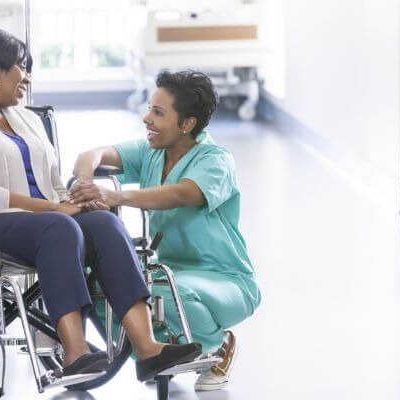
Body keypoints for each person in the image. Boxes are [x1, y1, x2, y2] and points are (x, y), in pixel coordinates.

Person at [0, 29, 200, 382]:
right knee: (60, 227)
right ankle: (75, 353)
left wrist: (77, 201)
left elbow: (53, 182)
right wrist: (54, 210)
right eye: (21, 68)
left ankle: (147, 348)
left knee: (104, 222)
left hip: (45, 221)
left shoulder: (27, 119)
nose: (27, 78)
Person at [70, 70, 261, 391]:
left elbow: (184, 193)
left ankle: (219, 344)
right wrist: (85, 182)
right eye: (149, 109)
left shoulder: (216, 160)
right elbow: (92, 154)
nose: (147, 119)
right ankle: (161, 353)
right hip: (172, 272)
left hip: (225, 278)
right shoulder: (152, 151)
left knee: (158, 290)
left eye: (158, 113)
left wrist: (116, 196)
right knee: (100, 287)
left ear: (186, 124)